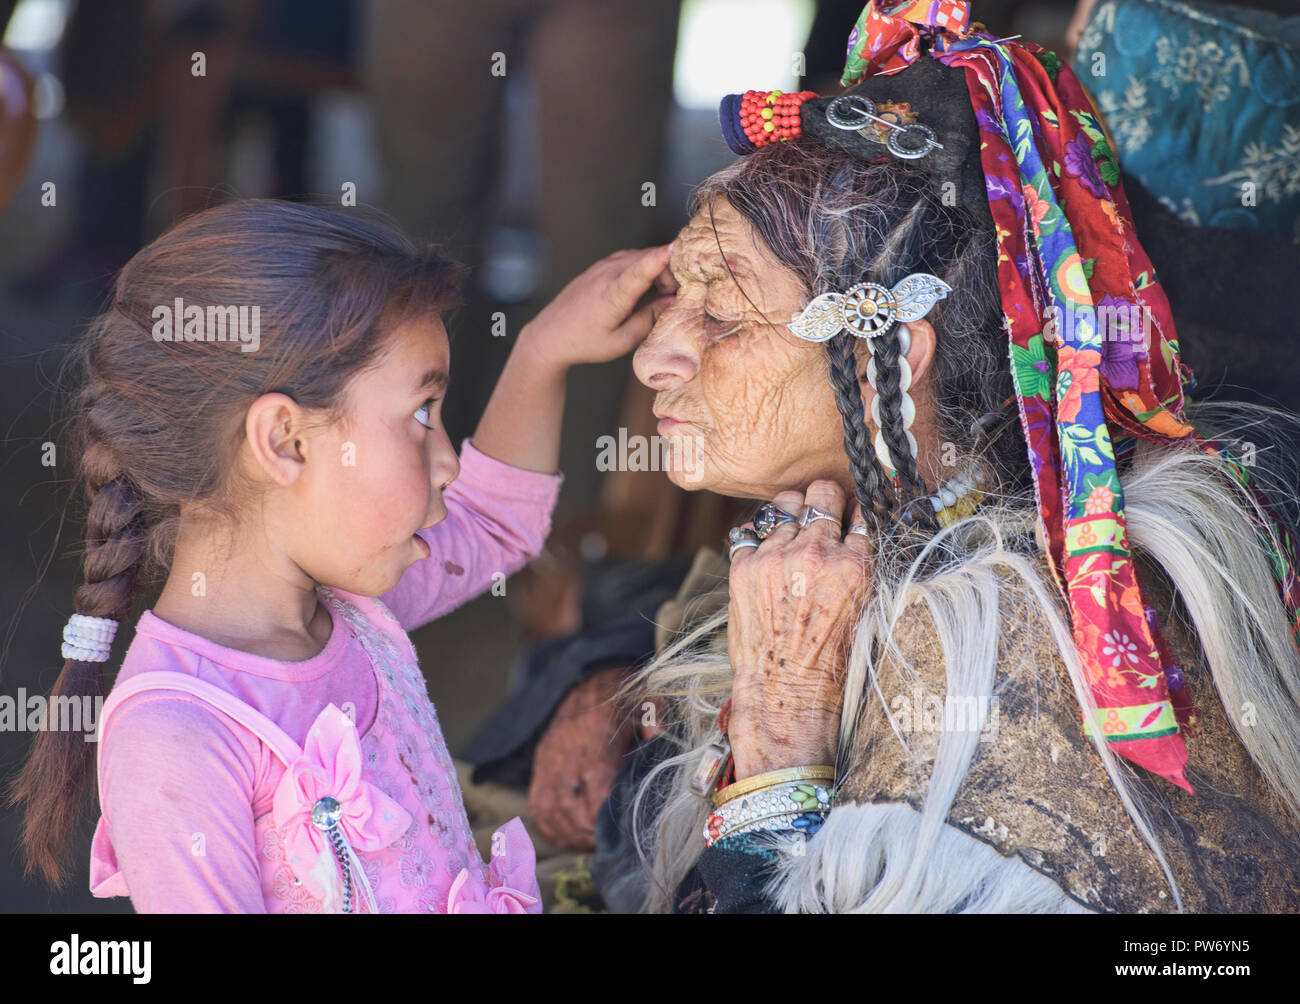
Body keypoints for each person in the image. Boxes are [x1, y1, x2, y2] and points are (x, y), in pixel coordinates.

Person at [586, 0, 1300, 912]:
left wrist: (777, 745)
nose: (653, 357)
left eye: (721, 314)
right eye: (673, 299)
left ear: (890, 351)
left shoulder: (993, 660)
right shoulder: (855, 547)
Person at [9, 198, 668, 913]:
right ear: (286, 441)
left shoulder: (352, 608)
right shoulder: (177, 735)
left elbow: (490, 526)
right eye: (421, 414)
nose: (447, 460)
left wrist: (546, 348)